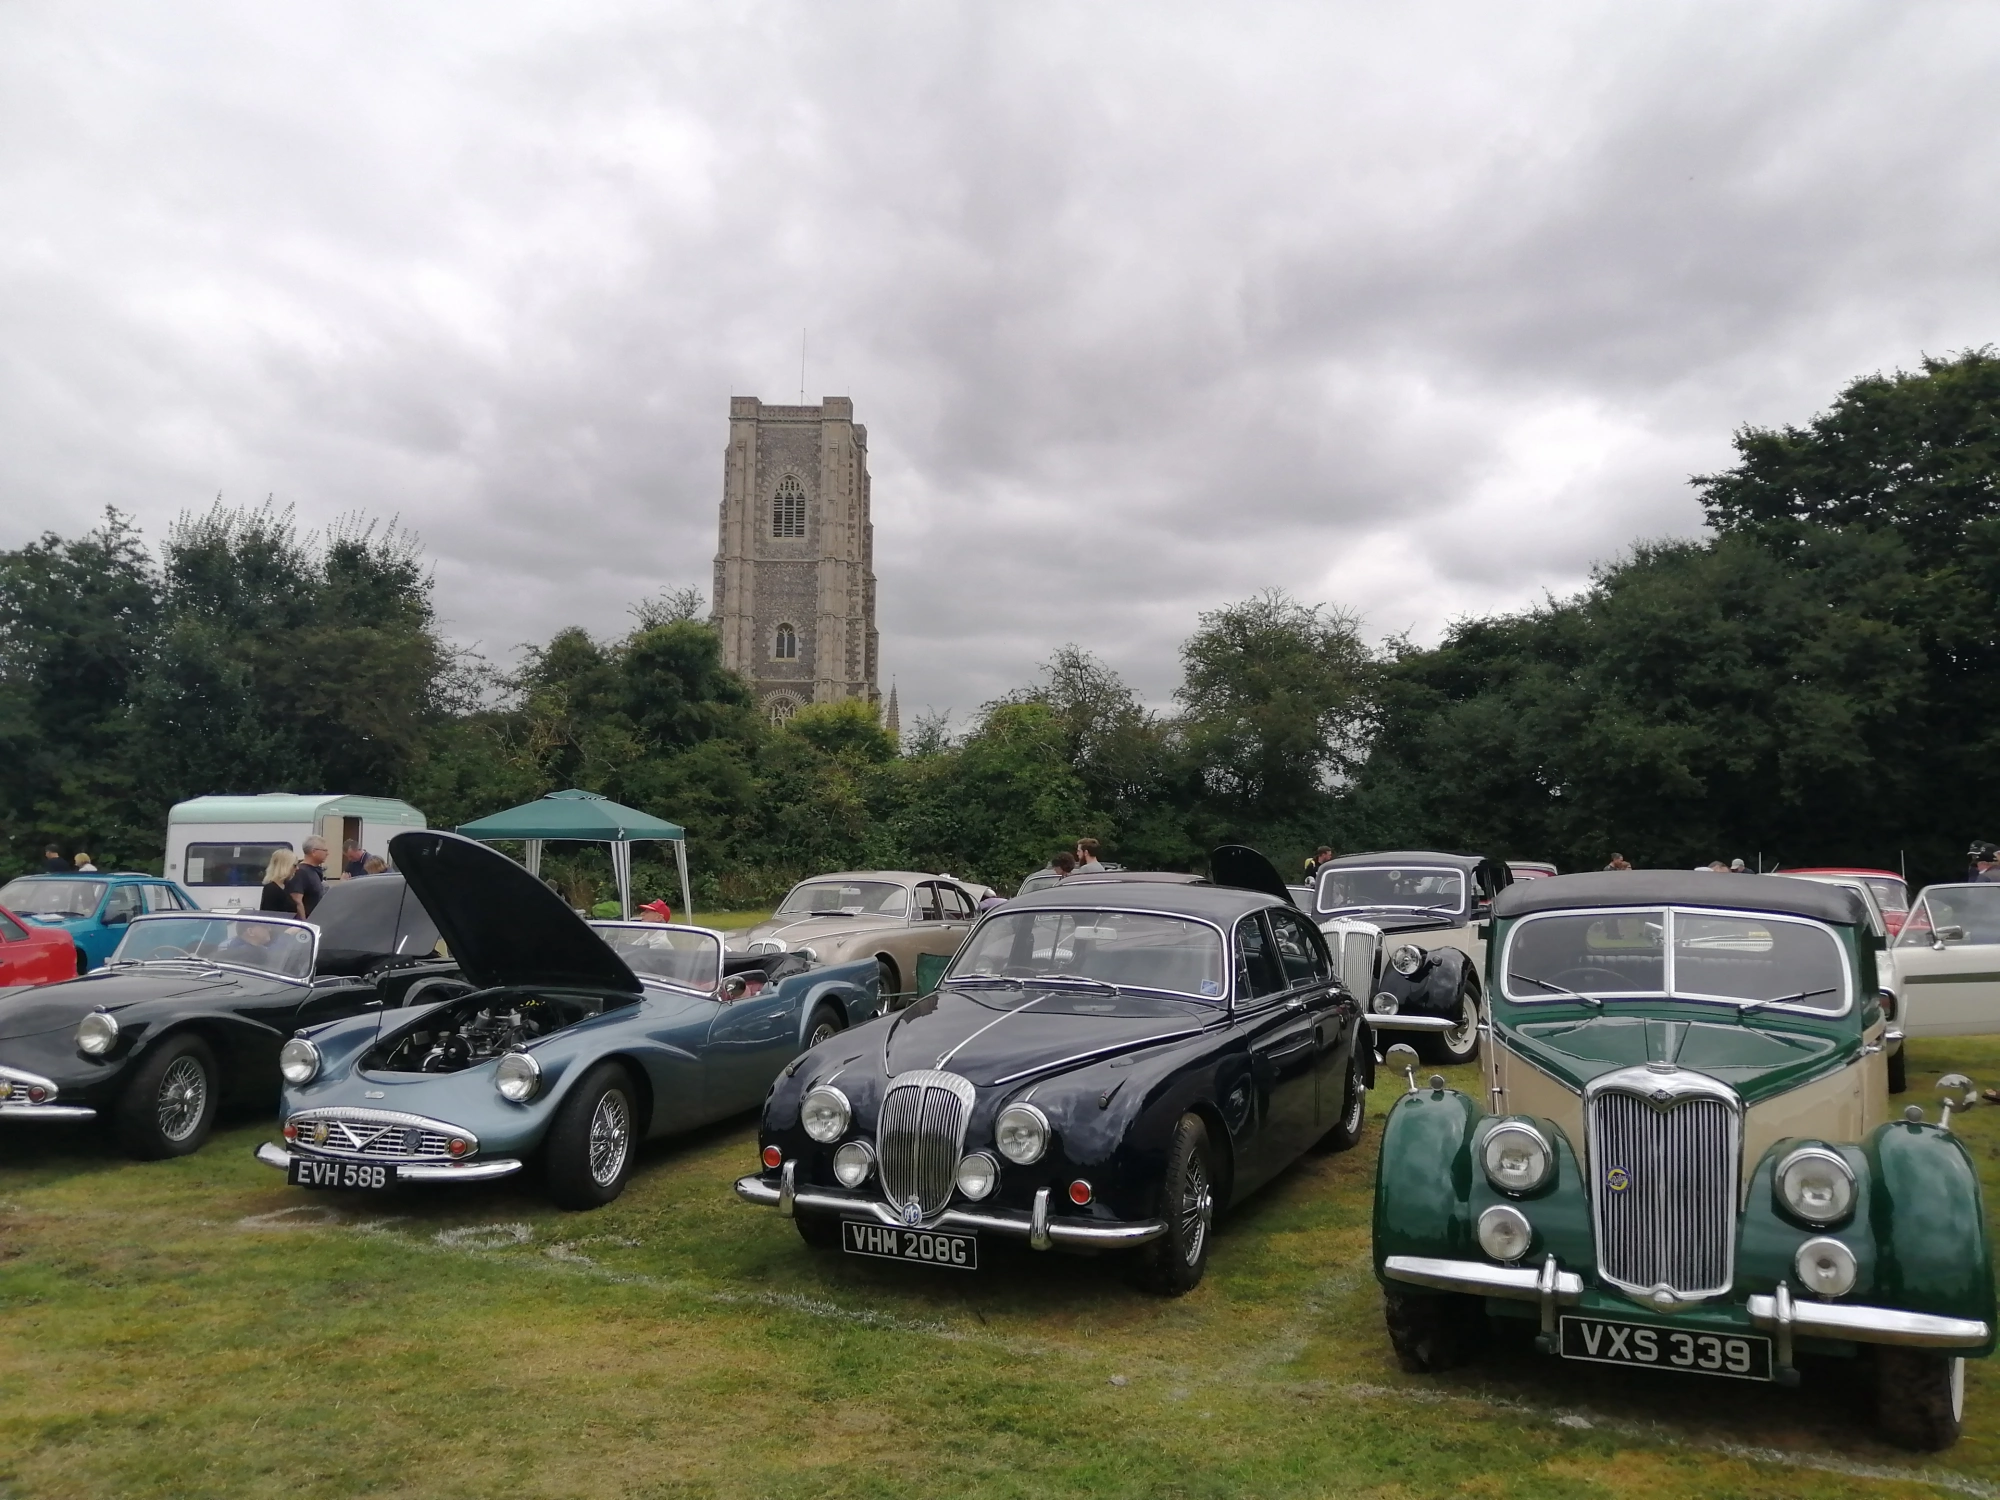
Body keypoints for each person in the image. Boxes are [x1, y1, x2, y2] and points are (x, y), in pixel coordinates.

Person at [286, 836, 330, 918]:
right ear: (313, 852)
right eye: (325, 850)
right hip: (306, 925)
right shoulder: (301, 872)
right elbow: (297, 900)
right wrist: (304, 924)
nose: (327, 853)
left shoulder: (314, 871)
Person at [260, 849, 301, 913]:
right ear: (285, 866)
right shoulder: (271, 889)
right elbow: (269, 915)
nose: (297, 868)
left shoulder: (286, 886)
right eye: (295, 865)